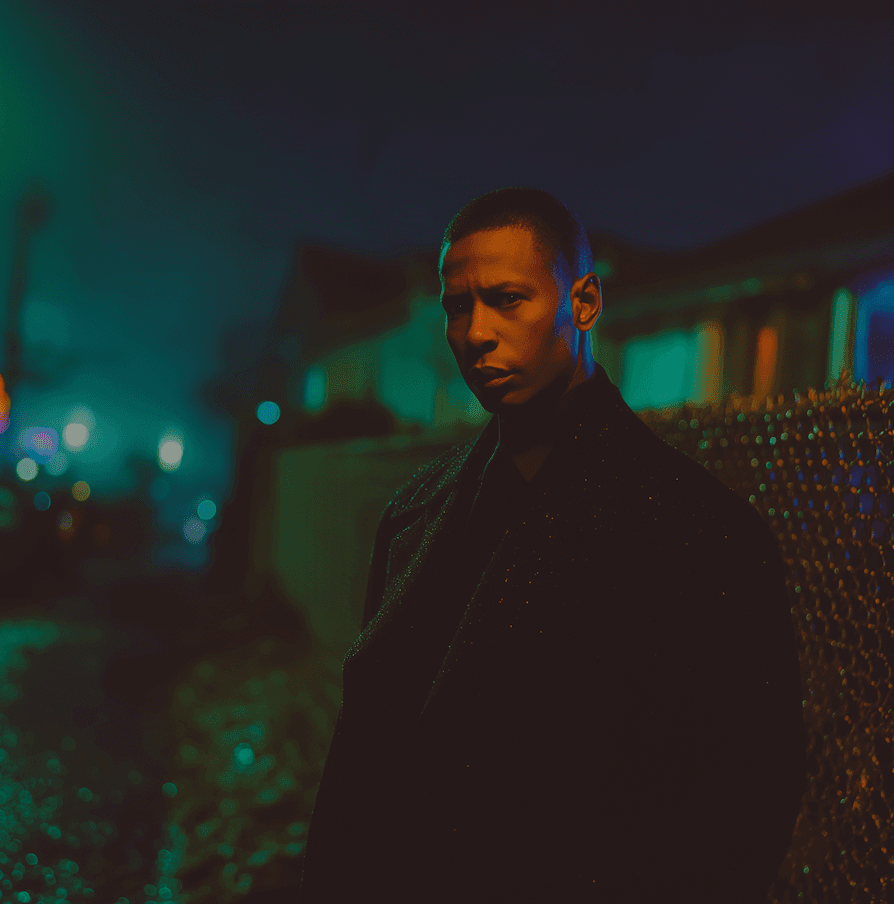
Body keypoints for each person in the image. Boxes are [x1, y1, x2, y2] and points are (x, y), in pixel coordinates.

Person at [300, 187, 807, 902]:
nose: (475, 332)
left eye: (508, 300)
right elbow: (362, 769)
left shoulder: (699, 533)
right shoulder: (416, 510)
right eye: (456, 306)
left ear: (585, 303)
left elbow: (738, 811)